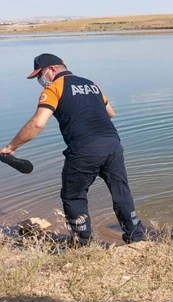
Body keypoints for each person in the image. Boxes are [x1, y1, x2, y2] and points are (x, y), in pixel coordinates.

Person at [0, 53, 146, 246]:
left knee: (73, 195)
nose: (39, 80)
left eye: (39, 75)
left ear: (51, 70)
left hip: (84, 148)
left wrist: (11, 147)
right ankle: (137, 238)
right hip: (113, 144)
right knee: (120, 191)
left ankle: (81, 243)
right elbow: (110, 112)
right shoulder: (92, 84)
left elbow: (38, 123)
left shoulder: (54, 88)